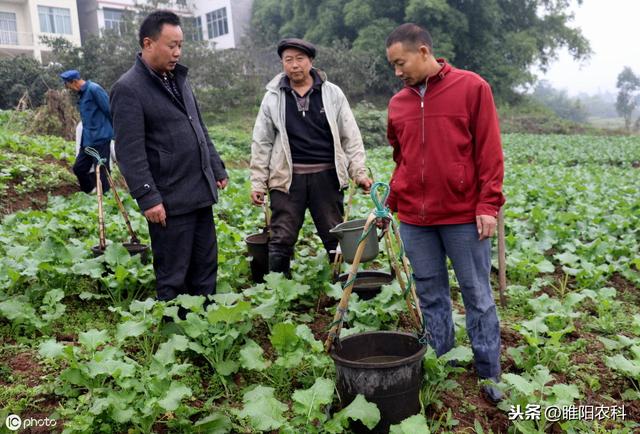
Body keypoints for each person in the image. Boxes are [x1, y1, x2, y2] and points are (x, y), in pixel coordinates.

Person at [385, 23, 506, 403]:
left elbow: (489, 152)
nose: (397, 72)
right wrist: (392, 201)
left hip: (462, 216)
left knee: (477, 295)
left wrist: (488, 204)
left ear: (423, 52)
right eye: (393, 65)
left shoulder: (472, 88)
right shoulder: (398, 103)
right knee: (431, 295)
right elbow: (401, 157)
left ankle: (490, 373)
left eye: (401, 62)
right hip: (415, 222)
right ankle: (444, 364)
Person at [110, 10, 228, 303]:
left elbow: (197, 126)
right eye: (171, 45)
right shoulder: (128, 88)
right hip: (170, 198)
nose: (177, 52)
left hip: (199, 189)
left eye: (180, 45)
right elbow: (129, 150)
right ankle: (176, 333)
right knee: (175, 273)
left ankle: (203, 325)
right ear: (148, 44)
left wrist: (216, 167)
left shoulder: (179, 79)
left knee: (205, 266)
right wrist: (148, 197)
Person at [250, 38, 372, 277]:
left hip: (325, 176)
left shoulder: (332, 93)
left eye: (299, 59)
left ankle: (341, 287)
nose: (294, 65)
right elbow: (261, 141)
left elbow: (350, 136)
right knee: (281, 236)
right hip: (287, 179)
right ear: (282, 64)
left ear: (311, 61)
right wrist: (257, 181)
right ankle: (278, 289)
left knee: (333, 233)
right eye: (288, 60)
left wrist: (359, 171)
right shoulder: (273, 96)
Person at [60, 69, 113, 193]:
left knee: (102, 172)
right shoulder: (83, 93)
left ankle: (107, 201)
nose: (69, 88)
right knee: (79, 168)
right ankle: (89, 192)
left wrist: (117, 133)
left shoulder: (94, 89)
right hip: (88, 140)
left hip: (100, 138)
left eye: (68, 85)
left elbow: (110, 111)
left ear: (74, 82)